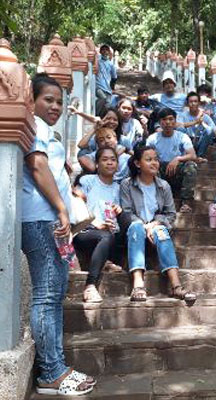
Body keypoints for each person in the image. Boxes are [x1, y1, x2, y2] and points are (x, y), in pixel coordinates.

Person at [21, 73, 95, 395]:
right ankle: (51, 372)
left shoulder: (45, 131)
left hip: (49, 220)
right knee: (47, 296)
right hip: (41, 220)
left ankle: (56, 368)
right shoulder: (34, 128)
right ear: (31, 100)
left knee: (53, 295)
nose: (54, 106)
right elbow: (37, 166)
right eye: (47, 99)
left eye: (59, 102)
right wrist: (62, 209)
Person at [120, 144, 196, 303]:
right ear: (137, 163)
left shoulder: (163, 186)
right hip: (135, 232)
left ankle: (176, 285)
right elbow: (126, 213)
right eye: (148, 160)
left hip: (155, 231)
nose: (154, 163)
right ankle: (138, 283)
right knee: (135, 227)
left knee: (161, 230)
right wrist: (142, 225)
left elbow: (170, 215)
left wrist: (153, 224)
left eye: (156, 159)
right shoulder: (127, 184)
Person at [73, 147, 122, 303]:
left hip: (108, 234)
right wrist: (95, 222)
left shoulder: (118, 188)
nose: (109, 163)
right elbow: (76, 199)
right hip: (84, 230)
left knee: (110, 236)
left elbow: (116, 215)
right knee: (105, 236)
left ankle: (104, 261)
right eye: (105, 159)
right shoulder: (88, 181)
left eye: (113, 159)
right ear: (97, 163)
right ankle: (90, 285)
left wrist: (118, 211)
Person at [146, 107, 198, 213]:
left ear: (175, 121)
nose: (168, 122)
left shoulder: (182, 137)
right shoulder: (152, 138)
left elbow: (193, 155)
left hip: (177, 171)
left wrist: (178, 158)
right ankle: (159, 202)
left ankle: (186, 202)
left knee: (191, 166)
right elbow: (146, 157)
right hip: (160, 172)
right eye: (164, 119)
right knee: (151, 166)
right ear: (160, 122)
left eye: (171, 119)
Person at [177, 91, 216, 162]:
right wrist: (195, 122)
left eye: (195, 101)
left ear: (199, 103)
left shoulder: (205, 116)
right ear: (187, 103)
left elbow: (215, 132)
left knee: (209, 130)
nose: (193, 104)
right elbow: (178, 125)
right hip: (187, 142)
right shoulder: (182, 115)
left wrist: (204, 124)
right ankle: (185, 154)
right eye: (191, 101)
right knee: (180, 129)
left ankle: (199, 156)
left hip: (200, 142)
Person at [96, 44, 117, 113]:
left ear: (108, 52)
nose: (104, 51)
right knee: (103, 98)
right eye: (103, 50)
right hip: (98, 86)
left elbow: (114, 77)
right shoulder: (97, 62)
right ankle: (96, 114)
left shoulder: (110, 64)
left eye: (106, 50)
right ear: (100, 51)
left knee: (107, 105)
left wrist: (112, 88)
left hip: (107, 88)